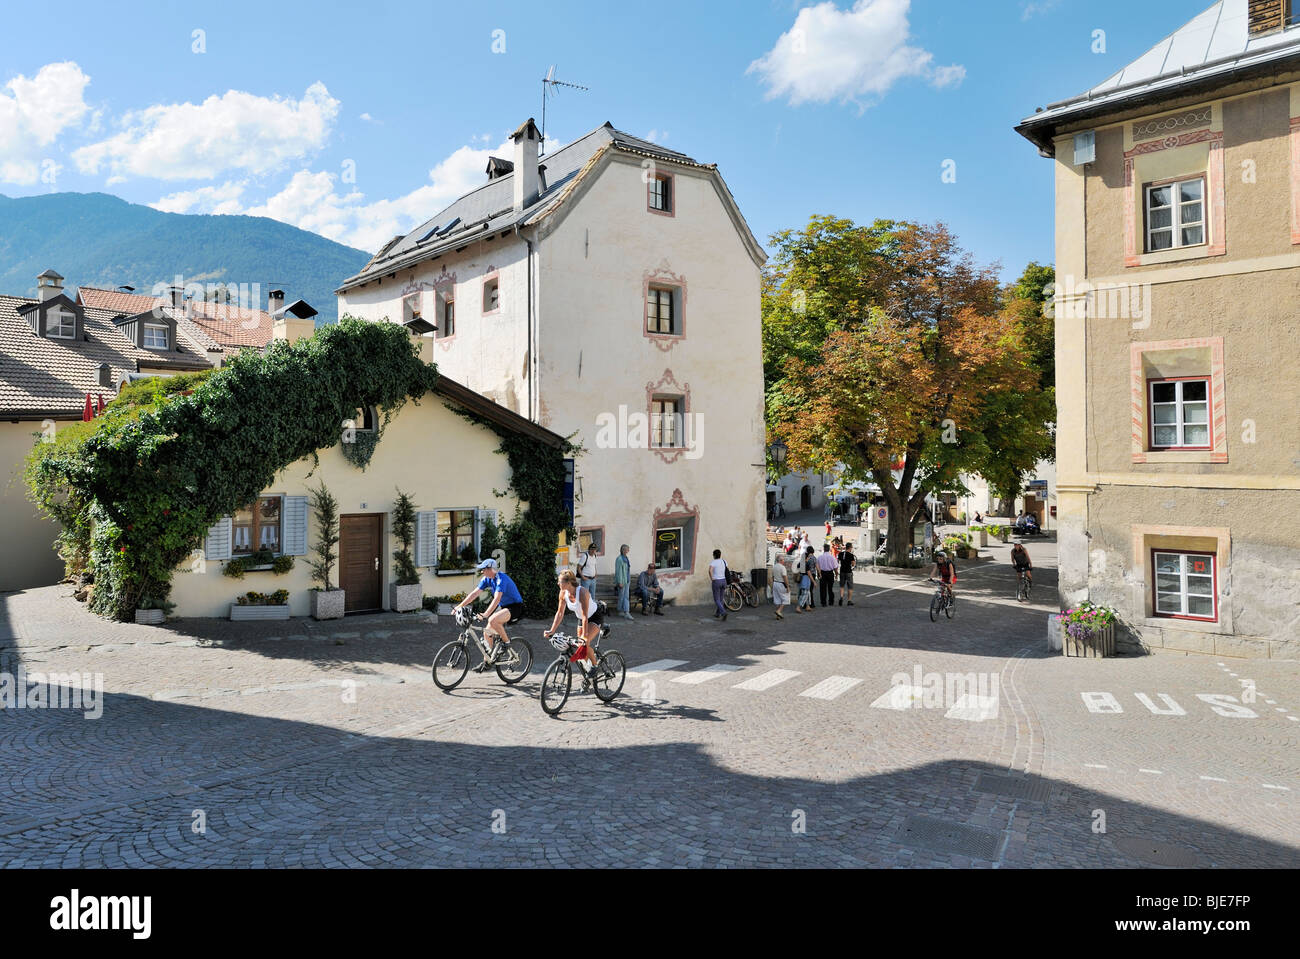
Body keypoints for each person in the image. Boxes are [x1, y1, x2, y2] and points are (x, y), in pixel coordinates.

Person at [455, 559, 524, 671]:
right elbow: (475, 593)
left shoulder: (501, 579)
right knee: (487, 632)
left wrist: (486, 614)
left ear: (491, 569)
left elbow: (497, 599)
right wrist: (460, 605)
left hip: (515, 607)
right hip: (504, 607)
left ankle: (507, 644)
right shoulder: (487, 579)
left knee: (492, 620)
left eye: (484, 569)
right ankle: (487, 662)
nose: (482, 572)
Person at [544, 570, 604, 678]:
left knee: (584, 643)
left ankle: (595, 666)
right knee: (580, 648)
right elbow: (560, 612)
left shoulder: (582, 592)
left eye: (560, 582)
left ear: (568, 583)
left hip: (594, 617)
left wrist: (585, 637)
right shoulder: (563, 593)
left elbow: (586, 615)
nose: (558, 584)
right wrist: (552, 630)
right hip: (581, 619)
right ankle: (587, 676)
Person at [614, 544, 633, 620]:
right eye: (626, 550)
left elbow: (627, 570)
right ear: (622, 550)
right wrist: (619, 582)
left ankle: (623, 611)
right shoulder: (619, 559)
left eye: (628, 550)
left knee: (625, 597)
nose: (627, 551)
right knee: (623, 597)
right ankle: (625, 612)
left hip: (627, 581)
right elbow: (618, 572)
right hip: (622, 581)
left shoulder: (626, 558)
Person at [708, 548, 729, 621]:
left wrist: (712, 578)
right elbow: (726, 569)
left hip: (716, 581)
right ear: (720, 555)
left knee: (716, 599)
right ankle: (718, 613)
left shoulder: (713, 562)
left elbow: (710, 570)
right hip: (724, 581)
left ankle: (723, 612)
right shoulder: (724, 561)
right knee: (721, 598)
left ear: (714, 555)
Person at [838, 540, 856, 606]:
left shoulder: (841, 554)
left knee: (842, 586)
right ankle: (849, 600)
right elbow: (853, 564)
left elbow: (838, 561)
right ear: (850, 548)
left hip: (842, 571)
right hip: (848, 572)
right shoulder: (851, 555)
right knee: (850, 587)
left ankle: (841, 597)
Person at [796, 549, 813, 613]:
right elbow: (809, 574)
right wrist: (813, 581)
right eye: (808, 557)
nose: (809, 558)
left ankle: (807, 606)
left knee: (806, 593)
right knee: (805, 594)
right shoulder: (806, 564)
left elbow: (797, 571)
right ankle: (798, 607)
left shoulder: (800, 563)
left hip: (801, 579)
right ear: (806, 558)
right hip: (805, 580)